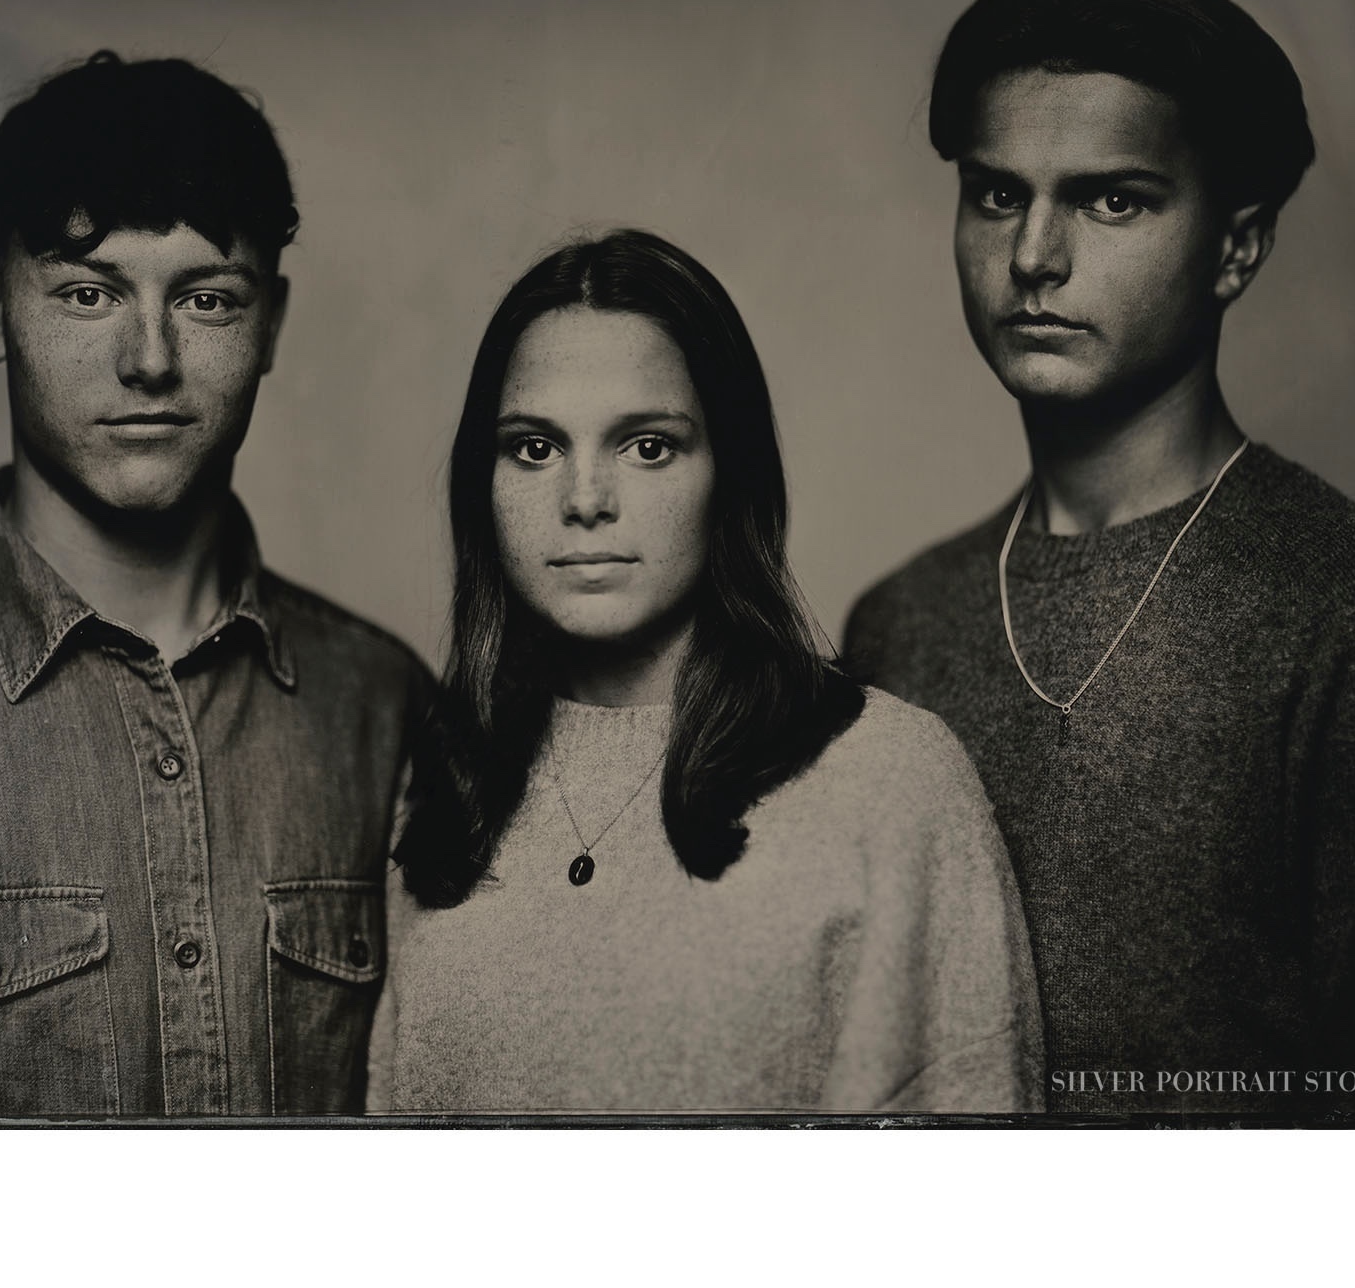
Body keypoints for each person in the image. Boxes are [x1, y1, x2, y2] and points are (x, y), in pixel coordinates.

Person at [843, 0, 1355, 1118]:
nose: (1034, 257)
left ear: (1235, 248)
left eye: (1112, 201)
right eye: (997, 194)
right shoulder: (899, 623)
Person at [0, 51, 430, 1119]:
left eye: (205, 297)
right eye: (86, 290)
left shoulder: (384, 707)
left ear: (272, 326)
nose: (148, 358)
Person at [368, 229, 1041, 1114]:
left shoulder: (894, 782)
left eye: (647, 446)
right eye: (534, 448)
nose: (584, 501)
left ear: (732, 474)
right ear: (480, 484)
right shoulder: (443, 795)